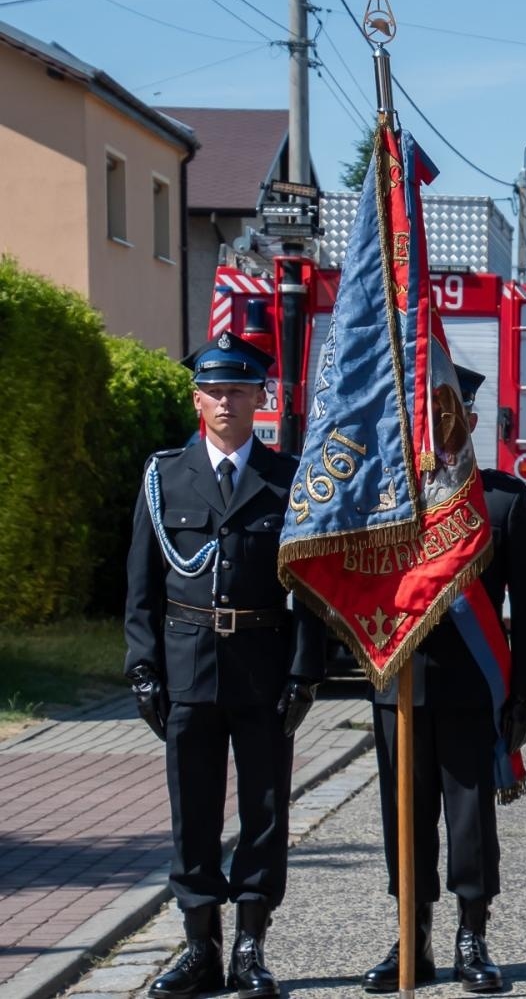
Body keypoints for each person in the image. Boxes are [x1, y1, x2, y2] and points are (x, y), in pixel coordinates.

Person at [124, 333, 325, 999]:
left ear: (260, 397)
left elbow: (311, 592)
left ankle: (249, 945)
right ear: (196, 399)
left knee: (266, 810)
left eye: (239, 389)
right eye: (214, 389)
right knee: (194, 810)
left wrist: (304, 671)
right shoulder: (163, 478)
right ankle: (197, 946)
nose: (226, 401)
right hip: (188, 667)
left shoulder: (287, 479)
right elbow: (142, 588)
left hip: (263, 666)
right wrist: (144, 667)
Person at [362, 365, 526, 995]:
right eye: (429, 417)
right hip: (401, 690)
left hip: (472, 687)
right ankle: (412, 932)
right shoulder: (389, 500)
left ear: (471, 421)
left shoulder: (500, 501)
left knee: (469, 819)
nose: (442, 428)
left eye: (452, 415)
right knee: (403, 818)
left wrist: (523, 693)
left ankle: (473, 933)